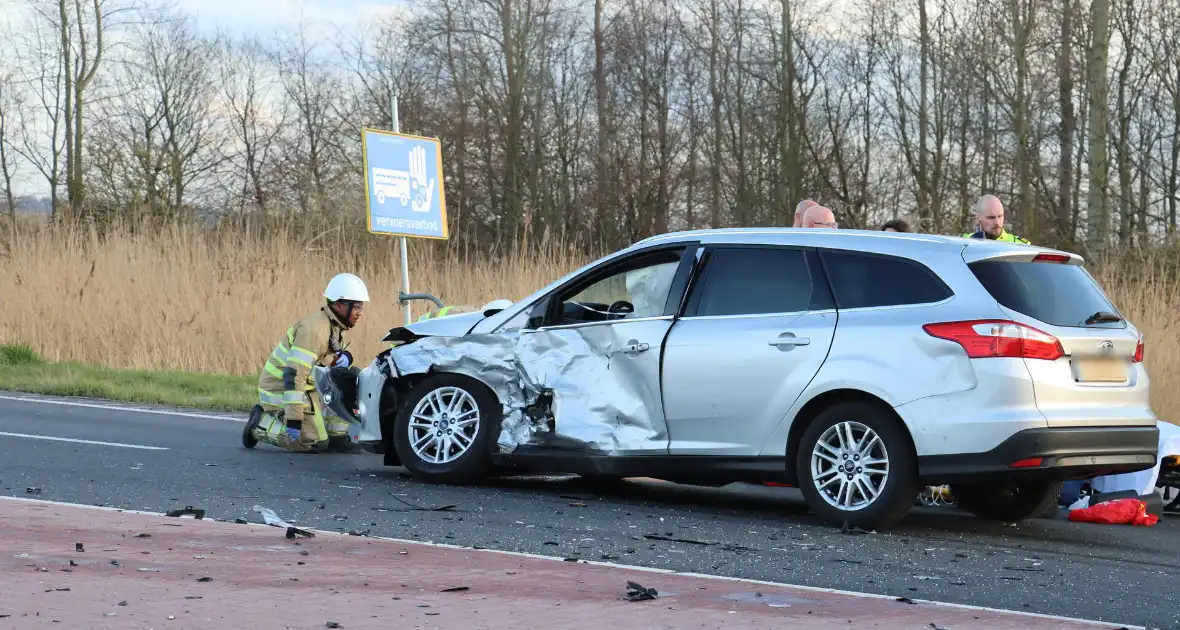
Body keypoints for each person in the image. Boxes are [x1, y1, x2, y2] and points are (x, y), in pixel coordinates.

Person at [245, 273, 370, 453]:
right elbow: (294, 375)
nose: (360, 313)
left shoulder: (333, 325)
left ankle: (337, 436)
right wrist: (294, 420)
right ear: (339, 304)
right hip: (281, 389)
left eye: (362, 307)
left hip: (308, 387)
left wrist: (346, 357)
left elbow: (325, 361)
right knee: (311, 442)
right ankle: (259, 424)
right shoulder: (314, 331)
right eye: (356, 306)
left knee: (350, 378)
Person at [961, 195, 1031, 243]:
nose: (997, 222)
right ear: (978, 217)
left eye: (1000, 216)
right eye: (991, 218)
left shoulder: (1020, 246)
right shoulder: (964, 242)